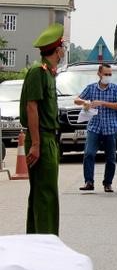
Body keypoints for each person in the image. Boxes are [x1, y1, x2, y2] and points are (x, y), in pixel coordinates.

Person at [19, 23, 66, 235]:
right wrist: (36, 144)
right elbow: (32, 107)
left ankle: (38, 242)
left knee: (43, 193)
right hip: (41, 139)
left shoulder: (48, 73)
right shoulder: (38, 72)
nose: (63, 51)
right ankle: (46, 244)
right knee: (44, 195)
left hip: (48, 139)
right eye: (62, 47)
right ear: (57, 50)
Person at [74, 63, 117, 193]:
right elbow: (77, 99)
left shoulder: (116, 88)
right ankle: (89, 182)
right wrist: (85, 102)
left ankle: (108, 183)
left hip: (111, 127)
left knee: (111, 158)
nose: (107, 77)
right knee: (89, 153)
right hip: (94, 127)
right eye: (105, 74)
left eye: (110, 74)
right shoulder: (91, 88)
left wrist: (102, 103)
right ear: (99, 74)